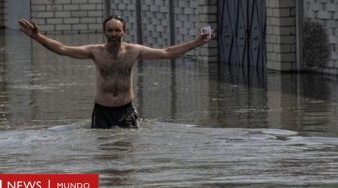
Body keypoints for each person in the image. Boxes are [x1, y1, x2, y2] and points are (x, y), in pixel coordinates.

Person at [18, 15, 214, 129]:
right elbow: (61, 49)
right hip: (102, 112)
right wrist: (37, 36)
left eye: (117, 30)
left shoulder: (134, 51)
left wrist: (197, 42)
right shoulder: (95, 51)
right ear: (104, 32)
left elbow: (166, 53)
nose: (114, 34)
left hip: (126, 110)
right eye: (110, 31)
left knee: (128, 151)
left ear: (124, 31)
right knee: (104, 151)